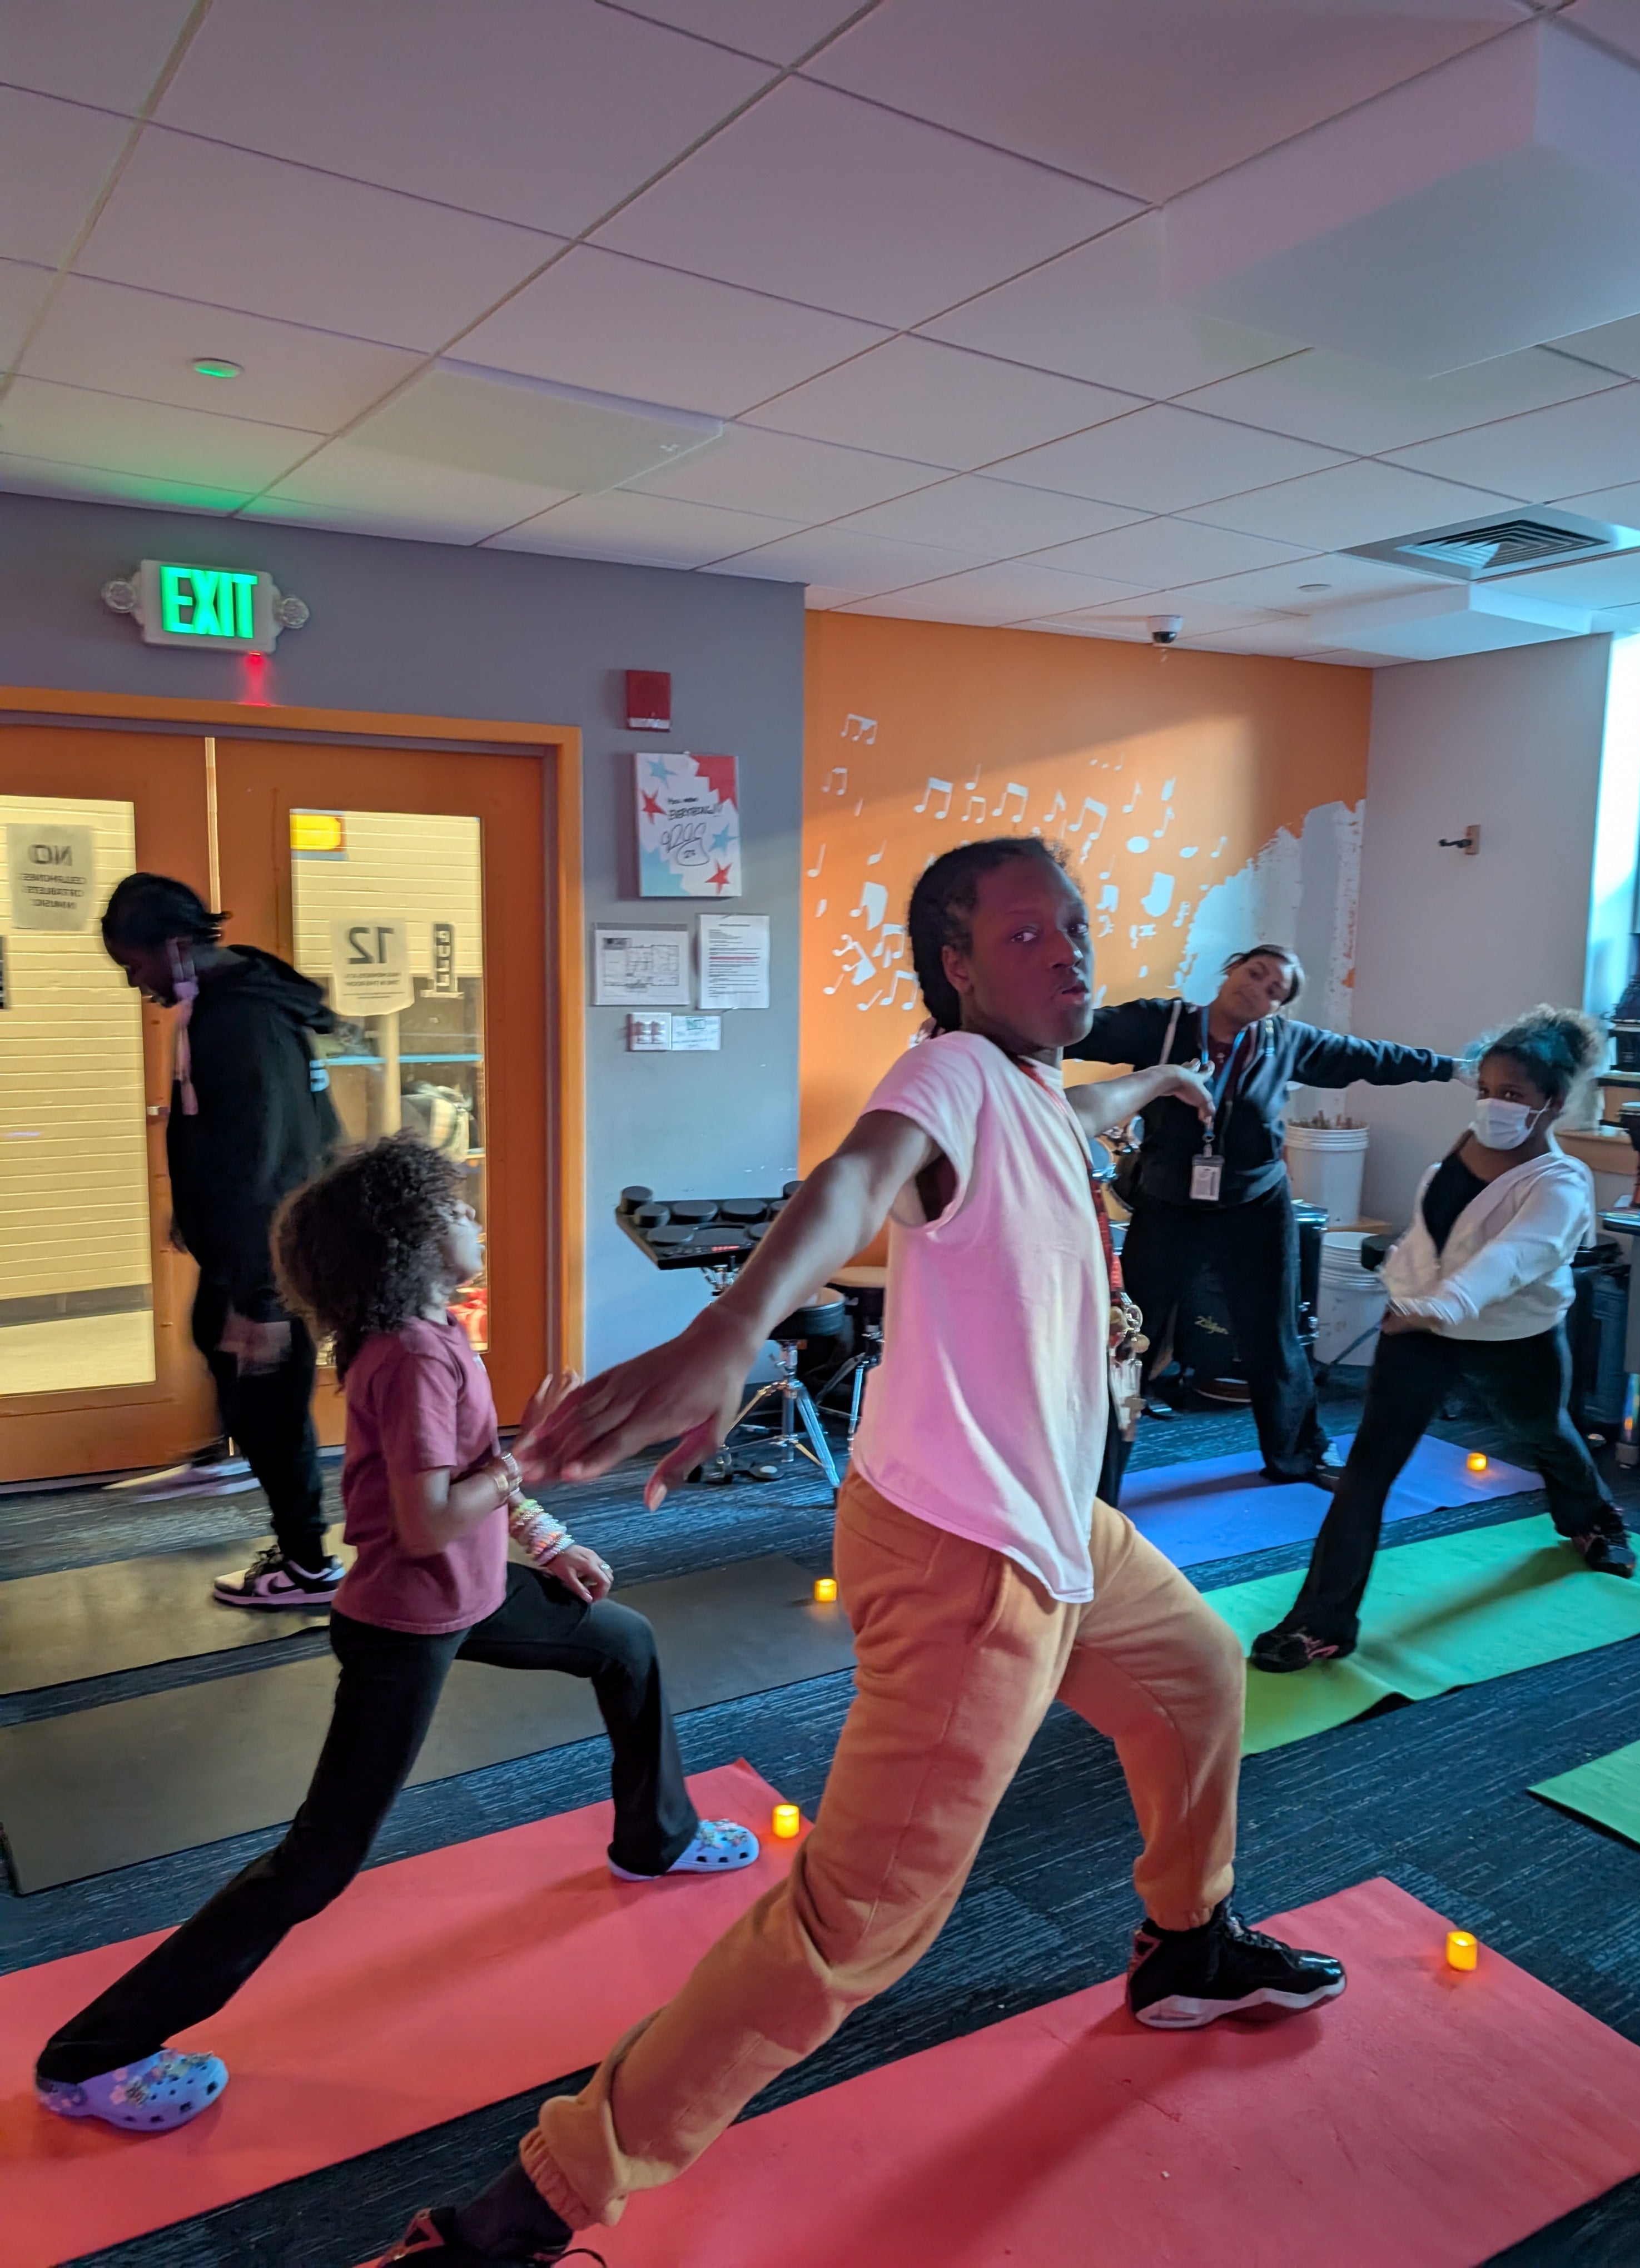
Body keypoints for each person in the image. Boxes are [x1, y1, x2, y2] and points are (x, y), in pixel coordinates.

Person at [364, 838, 1346, 2268]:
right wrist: (730, 1327)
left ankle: (1185, 1943)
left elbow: (1076, 1099)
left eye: (1072, 926)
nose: (1067, 952)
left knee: (1196, 1670)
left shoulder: (1027, 1086)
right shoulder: (943, 1075)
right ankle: (523, 2213)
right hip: (966, 1554)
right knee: (857, 1923)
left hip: (1056, 1522)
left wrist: (1152, 1082)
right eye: (1025, 934)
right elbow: (850, 1177)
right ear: (954, 965)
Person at [34, 1136, 758, 2135]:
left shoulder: (428, 1336)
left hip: (465, 1596)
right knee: (317, 1864)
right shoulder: (416, 1355)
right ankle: (90, 2058)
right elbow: (426, 1521)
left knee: (621, 1642)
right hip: (406, 1627)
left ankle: (655, 1838)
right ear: (412, 1240)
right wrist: (532, 1466)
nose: (474, 1223)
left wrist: (548, 1540)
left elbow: (464, 1476)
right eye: (457, 1211)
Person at [1251, 1008, 1634, 1673]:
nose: (1494, 1106)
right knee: (1367, 1474)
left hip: (1514, 1339)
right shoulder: (1468, 1142)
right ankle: (1321, 1623)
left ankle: (1593, 1520)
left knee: (1547, 1432)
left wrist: (1437, 1307)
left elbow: (1511, 1259)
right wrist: (1409, 1285)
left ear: (1554, 1102)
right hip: (1420, 1330)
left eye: (1512, 1095)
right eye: (1486, 1090)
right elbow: (1440, 1232)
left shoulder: (1561, 1183)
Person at [1070, 946, 1457, 1490]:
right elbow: (1076, 1028)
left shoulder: (1286, 1044)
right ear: (1232, 970)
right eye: (1255, 973)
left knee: (1274, 1334)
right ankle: (1095, 1474)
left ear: (1279, 1008)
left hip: (1255, 1204)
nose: (1260, 989)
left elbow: (1370, 1057)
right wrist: (973, 1029)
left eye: (1276, 989)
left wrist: (1450, 1068)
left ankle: (1296, 1454)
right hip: (1169, 1205)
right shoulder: (1162, 1025)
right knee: (1134, 1338)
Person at [101, 873, 345, 1608]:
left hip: (274, 1253)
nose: (134, 983)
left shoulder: (236, 1023)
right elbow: (238, 1137)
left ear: (174, 947)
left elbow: (268, 1162)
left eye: (133, 965)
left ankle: (307, 1566)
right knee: (217, 1341)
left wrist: (263, 1301)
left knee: (270, 1394)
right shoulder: (225, 1004)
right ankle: (228, 1453)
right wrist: (194, 1210)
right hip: (256, 1244)